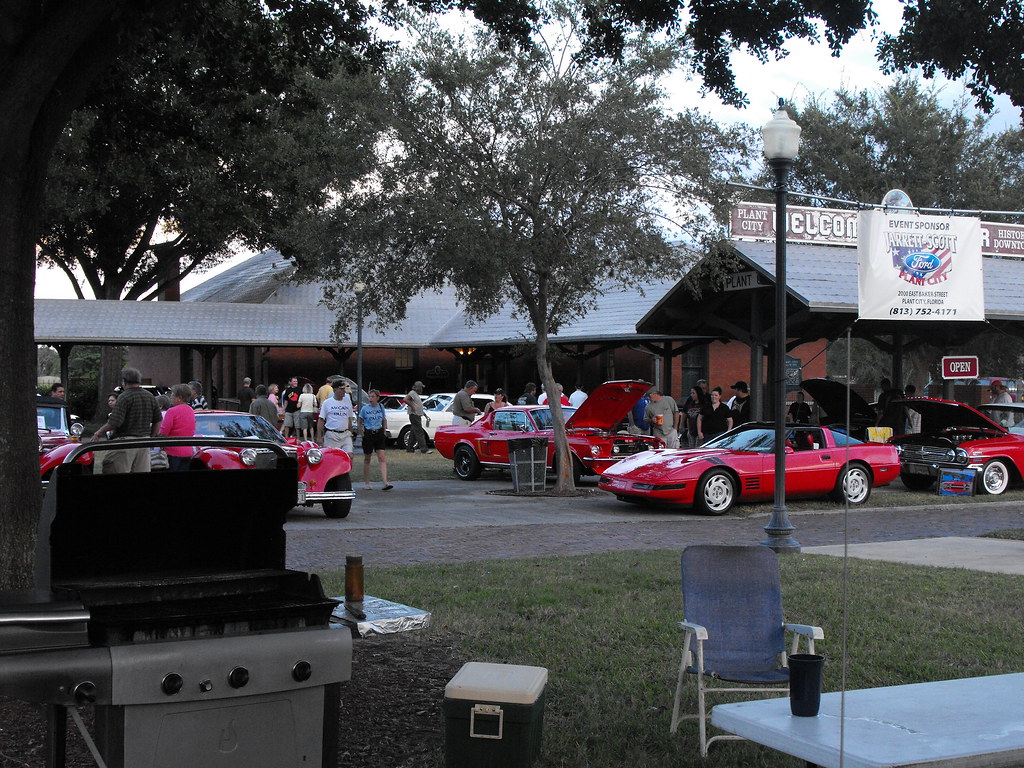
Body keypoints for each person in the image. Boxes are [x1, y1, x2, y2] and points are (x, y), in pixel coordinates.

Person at [90, 367, 162, 473]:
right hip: (144, 442)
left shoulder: (124, 397)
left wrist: (99, 432)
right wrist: (151, 437)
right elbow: (158, 420)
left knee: (115, 471)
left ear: (124, 381)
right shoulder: (150, 396)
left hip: (125, 443)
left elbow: (114, 423)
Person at [358, 389, 393, 491]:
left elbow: (384, 419)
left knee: (382, 457)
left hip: (379, 433)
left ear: (377, 398)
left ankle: (385, 482)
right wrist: (362, 433)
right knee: (367, 458)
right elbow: (360, 421)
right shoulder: (365, 409)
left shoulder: (381, 407)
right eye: (370, 396)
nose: (371, 399)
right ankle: (367, 483)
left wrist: (384, 430)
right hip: (369, 434)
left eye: (373, 396)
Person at [160, 383, 197, 471]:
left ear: (179, 398)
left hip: (173, 451)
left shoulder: (171, 411)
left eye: (173, 395)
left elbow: (164, 432)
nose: (171, 397)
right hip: (188, 451)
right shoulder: (191, 410)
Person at [317, 379, 354, 453]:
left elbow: (349, 418)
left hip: (345, 434)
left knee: (349, 455)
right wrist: (319, 436)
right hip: (332, 435)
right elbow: (321, 420)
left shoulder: (348, 402)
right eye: (341, 389)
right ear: (335, 390)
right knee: (332, 456)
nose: (344, 391)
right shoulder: (327, 403)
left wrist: (350, 432)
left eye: (344, 389)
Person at [404, 380, 432, 454]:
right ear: (418, 388)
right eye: (421, 388)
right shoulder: (412, 393)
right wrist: (412, 406)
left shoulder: (415, 394)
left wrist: (424, 414)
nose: (422, 389)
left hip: (417, 415)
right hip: (414, 415)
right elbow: (405, 399)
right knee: (419, 432)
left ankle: (409, 448)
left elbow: (418, 406)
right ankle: (424, 449)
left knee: (413, 432)